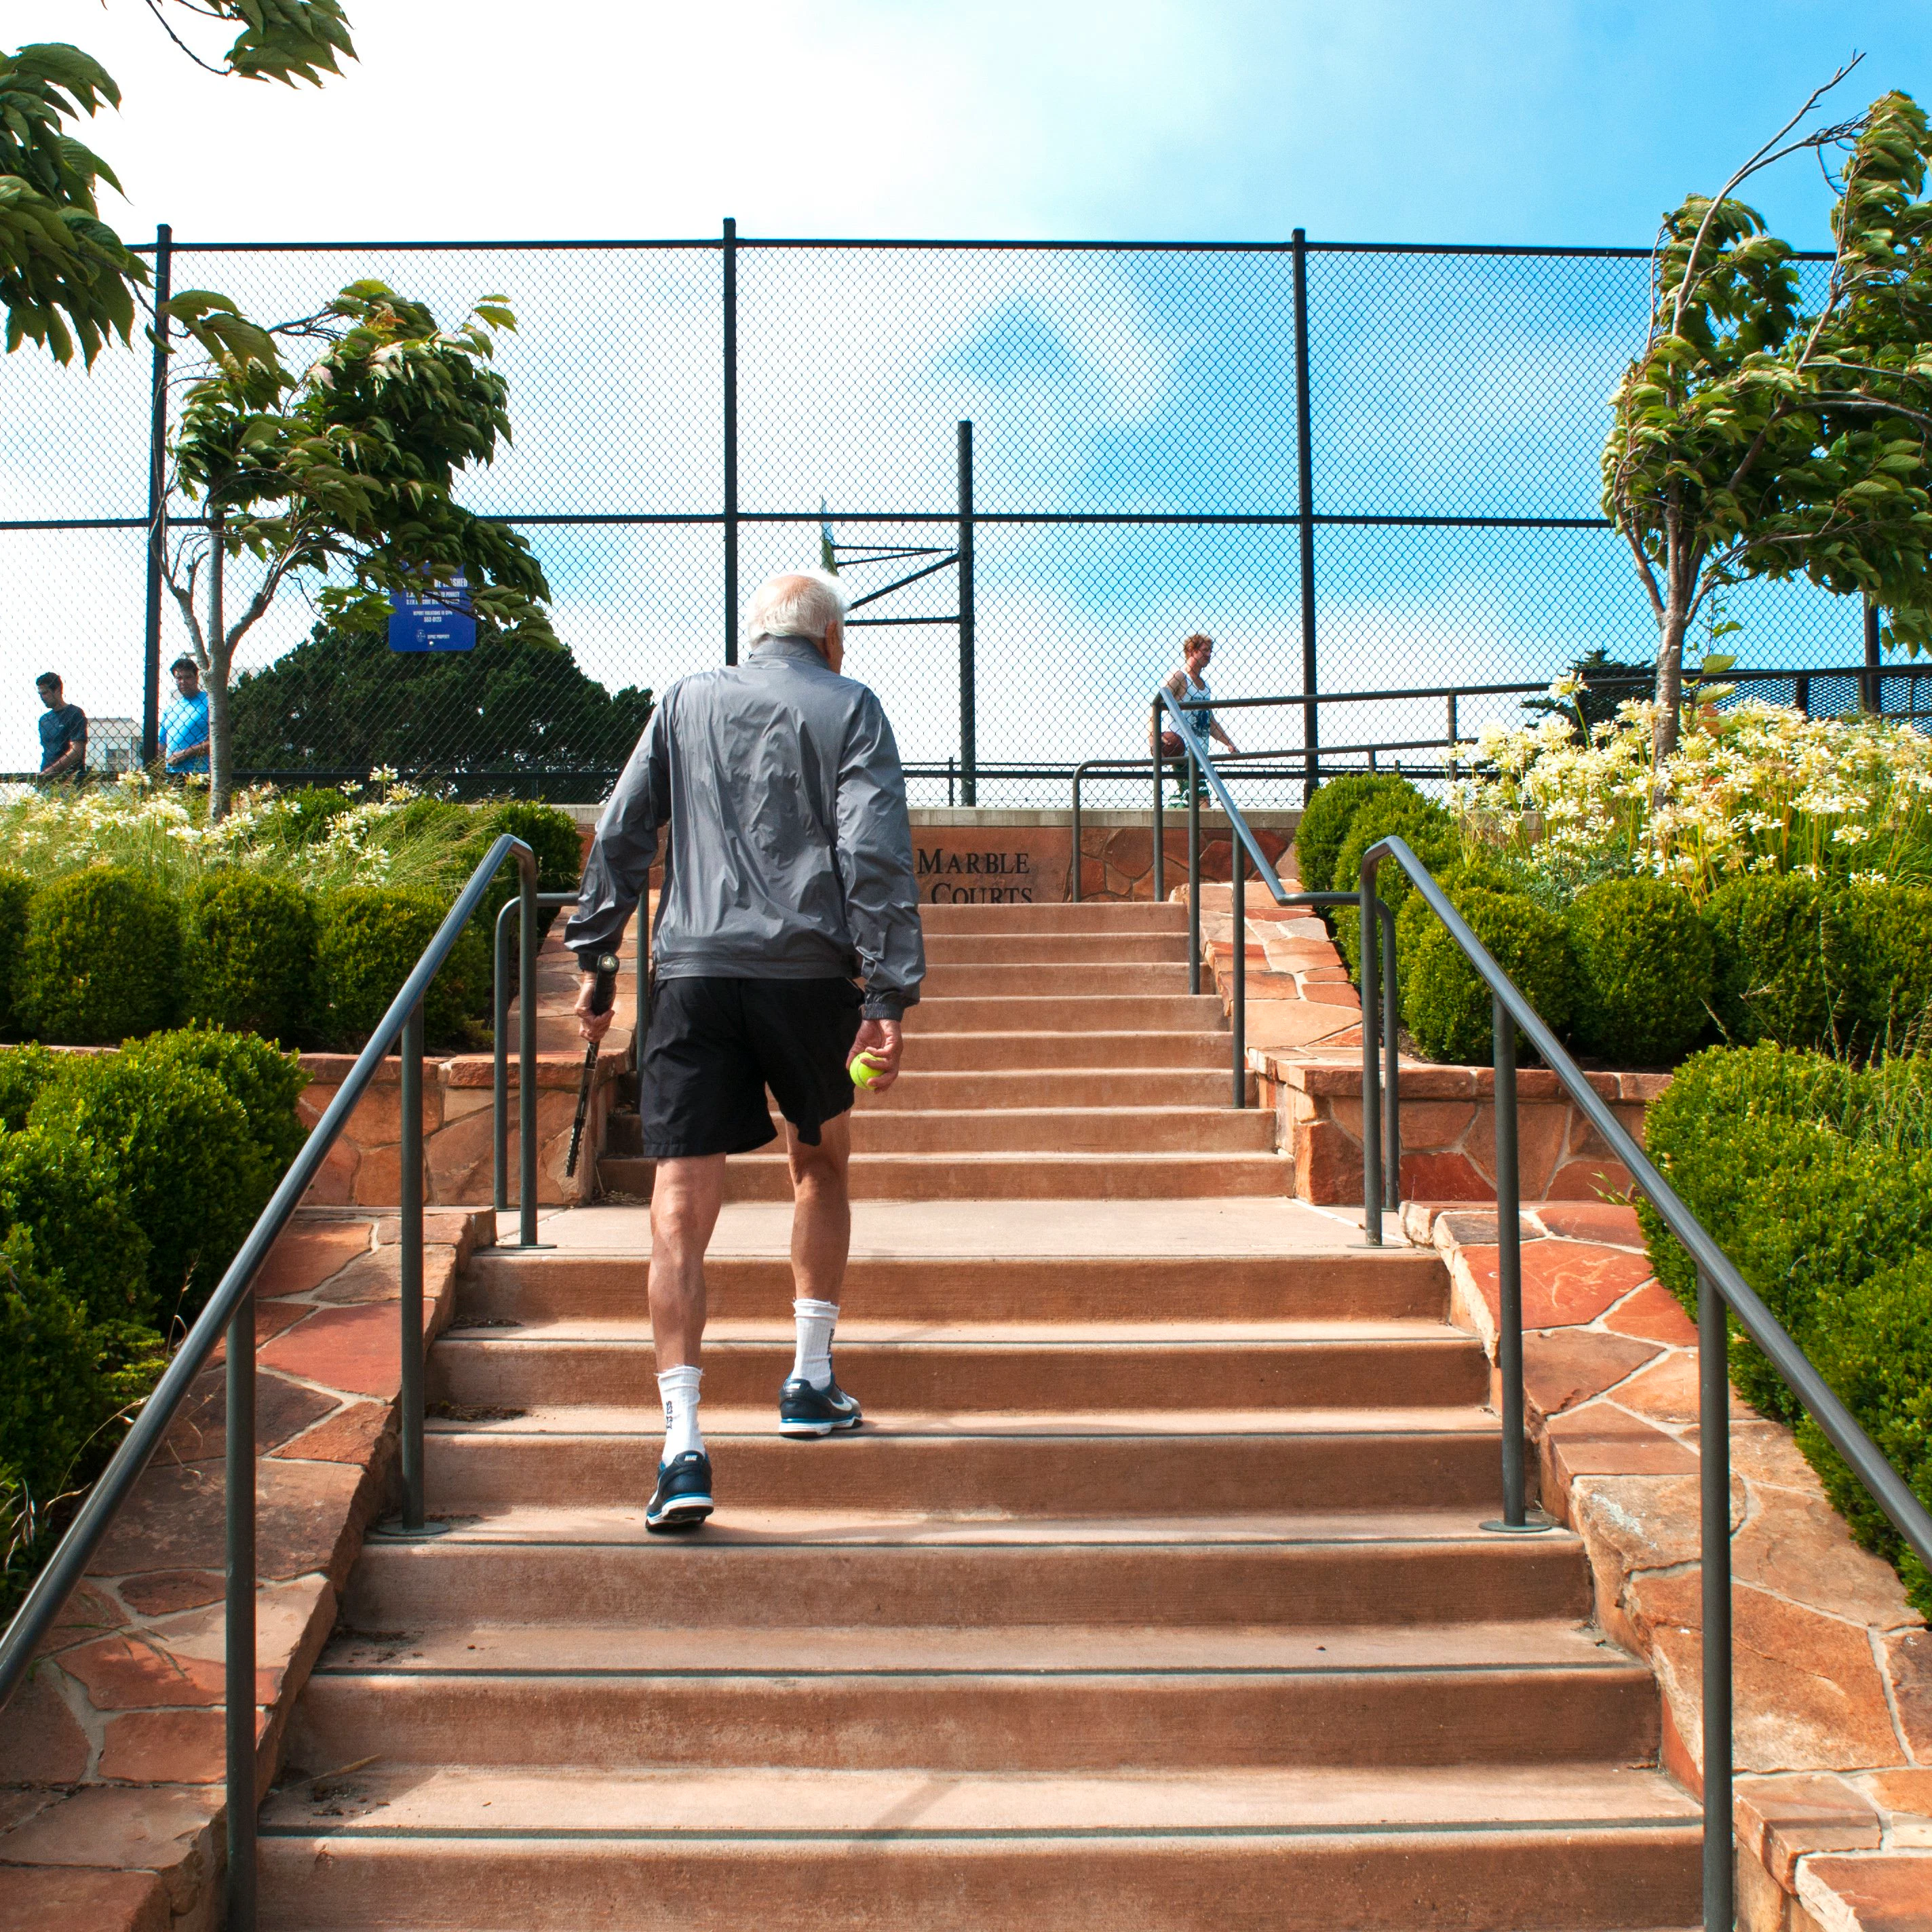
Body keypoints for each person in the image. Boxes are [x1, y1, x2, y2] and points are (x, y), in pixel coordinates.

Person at [565, 570, 925, 1532]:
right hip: (808, 976)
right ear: (832, 640)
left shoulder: (685, 699)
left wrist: (598, 955)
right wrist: (887, 992)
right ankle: (809, 1383)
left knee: (679, 1203)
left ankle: (681, 1444)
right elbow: (875, 851)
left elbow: (622, 830)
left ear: (753, 633)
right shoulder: (852, 707)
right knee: (823, 1164)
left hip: (690, 975)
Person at [1152, 632, 1238, 803]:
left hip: (1200, 754)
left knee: (1184, 804)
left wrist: (1228, 743)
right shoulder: (1179, 677)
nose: (1209, 655)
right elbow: (1155, 707)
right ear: (1192, 651)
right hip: (1182, 751)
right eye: (1205, 650)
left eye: (1210, 651)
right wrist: (1154, 738)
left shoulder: (1205, 687)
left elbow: (1209, 721)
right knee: (1203, 801)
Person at [157, 657, 211, 778]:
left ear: (196, 678)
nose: (183, 682)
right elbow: (161, 745)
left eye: (188, 677)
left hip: (199, 774)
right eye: (179, 678)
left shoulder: (210, 703)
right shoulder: (170, 709)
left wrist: (185, 754)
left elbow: (218, 741)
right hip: (171, 774)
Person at [35, 674, 86, 779]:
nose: (42, 698)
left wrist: (50, 772)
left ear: (57, 690)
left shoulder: (75, 713)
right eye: (40, 694)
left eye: (45, 693)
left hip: (70, 779)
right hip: (47, 781)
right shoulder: (44, 720)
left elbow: (77, 751)